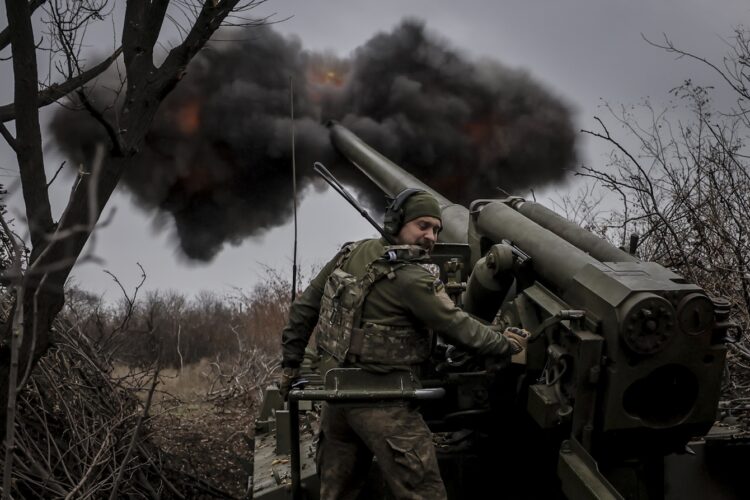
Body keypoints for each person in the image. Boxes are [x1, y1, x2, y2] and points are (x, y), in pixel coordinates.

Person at [280, 189, 528, 500]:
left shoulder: (349, 254)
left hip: (337, 401)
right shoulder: (413, 278)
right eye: (422, 226)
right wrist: (505, 344)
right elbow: (458, 328)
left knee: (337, 494)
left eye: (436, 229)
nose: (431, 237)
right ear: (396, 223)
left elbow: (305, 308)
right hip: (386, 407)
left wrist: (290, 364)